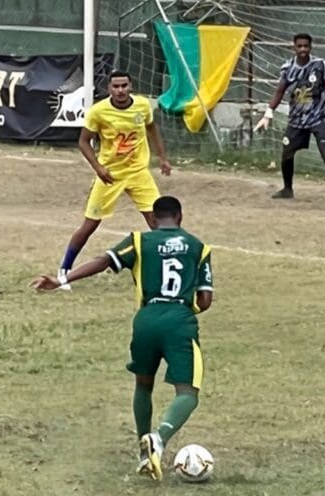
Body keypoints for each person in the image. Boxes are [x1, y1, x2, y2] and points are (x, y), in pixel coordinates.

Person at [31, 195, 213, 482]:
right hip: (179, 321)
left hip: (146, 320)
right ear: (180, 217)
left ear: (153, 219)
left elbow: (103, 261)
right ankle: (159, 438)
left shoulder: (139, 241)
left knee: (143, 384)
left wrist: (62, 280)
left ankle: (144, 452)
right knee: (188, 392)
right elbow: (205, 300)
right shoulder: (198, 247)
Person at [56, 70, 172, 288]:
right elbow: (83, 142)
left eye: (124, 86)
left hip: (138, 172)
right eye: (116, 86)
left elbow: (151, 128)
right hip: (111, 174)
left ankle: (165, 268)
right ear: (109, 89)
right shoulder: (98, 112)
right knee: (90, 224)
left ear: (131, 86)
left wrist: (163, 158)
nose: (120, 90)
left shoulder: (142, 106)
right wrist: (98, 167)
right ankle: (64, 270)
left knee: (157, 222)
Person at [253, 33, 325, 202]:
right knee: (287, 153)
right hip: (297, 120)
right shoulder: (287, 68)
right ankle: (287, 189)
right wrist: (268, 114)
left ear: (310, 47)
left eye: (306, 46)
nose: (303, 49)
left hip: (319, 118)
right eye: (300, 46)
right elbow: (280, 91)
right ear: (294, 48)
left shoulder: (320, 65)